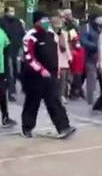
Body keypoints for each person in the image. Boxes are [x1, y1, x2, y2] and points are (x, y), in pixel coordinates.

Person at [20, 11, 76, 139]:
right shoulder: (30, 36)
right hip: (34, 76)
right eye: (43, 20)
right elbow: (29, 57)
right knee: (32, 102)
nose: (46, 22)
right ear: (36, 22)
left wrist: (56, 70)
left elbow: (57, 52)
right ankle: (27, 127)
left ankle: (63, 127)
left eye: (47, 19)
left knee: (54, 100)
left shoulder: (50, 34)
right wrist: (40, 70)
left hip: (50, 75)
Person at [0, 7, 25, 101]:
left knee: (16, 71)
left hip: (17, 49)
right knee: (9, 70)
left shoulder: (17, 21)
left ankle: (13, 88)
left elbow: (22, 33)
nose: (12, 13)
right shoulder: (1, 22)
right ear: (6, 12)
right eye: (10, 11)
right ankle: (11, 92)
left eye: (13, 11)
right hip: (6, 50)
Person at [80, 14, 102, 105]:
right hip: (89, 58)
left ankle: (99, 100)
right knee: (91, 79)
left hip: (100, 57)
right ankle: (90, 101)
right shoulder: (87, 28)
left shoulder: (100, 28)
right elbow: (83, 40)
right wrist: (96, 47)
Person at [53, 11, 73, 103]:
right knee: (55, 79)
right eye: (57, 24)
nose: (59, 26)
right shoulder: (51, 34)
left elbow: (67, 46)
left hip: (63, 59)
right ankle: (54, 95)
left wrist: (69, 57)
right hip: (54, 59)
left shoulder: (65, 33)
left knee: (63, 79)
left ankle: (62, 95)